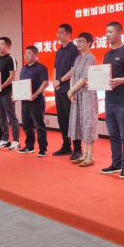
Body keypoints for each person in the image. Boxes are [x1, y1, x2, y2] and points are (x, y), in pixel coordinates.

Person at [100, 21, 124, 178]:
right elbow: (104, 76)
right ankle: (116, 163)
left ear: (119, 33)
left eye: (111, 31)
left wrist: (121, 81)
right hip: (109, 99)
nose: (107, 34)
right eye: (106, 32)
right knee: (113, 134)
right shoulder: (106, 54)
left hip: (123, 100)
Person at [67, 32, 99, 167]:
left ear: (89, 43)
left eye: (81, 41)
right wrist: (72, 91)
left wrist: (71, 90)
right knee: (80, 124)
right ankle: (84, 154)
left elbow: (85, 78)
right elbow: (73, 76)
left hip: (87, 95)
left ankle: (90, 156)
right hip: (77, 94)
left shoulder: (90, 58)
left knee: (88, 124)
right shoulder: (78, 58)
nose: (78, 43)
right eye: (77, 41)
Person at [52, 24, 82, 160]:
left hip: (69, 90)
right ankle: (66, 146)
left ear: (69, 34)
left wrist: (60, 80)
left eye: (61, 32)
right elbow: (55, 68)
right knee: (62, 119)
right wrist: (55, 81)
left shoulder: (74, 50)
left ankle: (77, 148)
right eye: (58, 32)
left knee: (72, 119)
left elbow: (73, 69)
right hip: (58, 90)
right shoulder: (59, 51)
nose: (59, 35)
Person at [16, 46, 49, 157]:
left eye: (29, 53)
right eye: (25, 53)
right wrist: (16, 96)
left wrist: (36, 94)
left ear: (36, 55)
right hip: (25, 101)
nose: (26, 55)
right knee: (26, 125)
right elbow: (21, 85)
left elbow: (45, 83)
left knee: (39, 125)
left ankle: (43, 148)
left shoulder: (41, 68)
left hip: (37, 100)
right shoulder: (24, 69)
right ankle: (29, 146)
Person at [0, 37, 21, 151]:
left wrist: (1, 86)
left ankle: (16, 141)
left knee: (12, 117)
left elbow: (12, 76)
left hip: (7, 93)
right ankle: (5, 139)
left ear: (8, 46)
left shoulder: (11, 59)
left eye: (2, 44)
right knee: (1, 117)